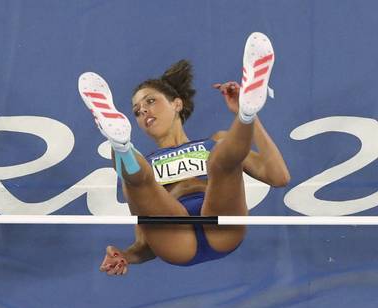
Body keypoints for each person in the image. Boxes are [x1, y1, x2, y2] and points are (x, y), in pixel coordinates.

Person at [78, 32, 290, 275]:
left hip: (221, 222)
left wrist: (244, 110)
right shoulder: (145, 164)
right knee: (135, 180)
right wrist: (126, 256)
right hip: (175, 238)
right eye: (137, 111)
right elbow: (146, 242)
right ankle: (120, 143)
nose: (144, 111)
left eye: (150, 101)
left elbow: (279, 177)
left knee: (221, 161)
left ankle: (248, 113)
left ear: (176, 104)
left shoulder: (216, 142)